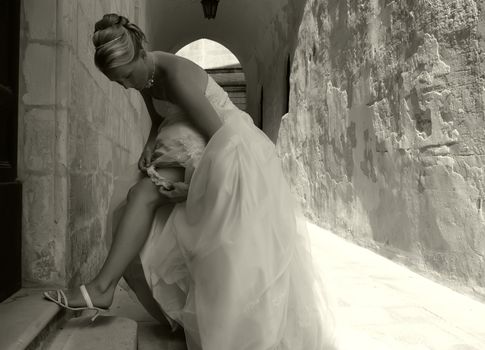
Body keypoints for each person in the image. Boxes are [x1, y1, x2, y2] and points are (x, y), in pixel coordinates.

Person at [44, 13, 338, 350]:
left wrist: (192, 188)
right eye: (117, 82)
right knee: (133, 205)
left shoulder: (179, 76)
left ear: (141, 52)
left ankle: (101, 288)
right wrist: (150, 142)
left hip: (225, 149)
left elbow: (222, 143)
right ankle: (147, 303)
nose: (125, 85)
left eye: (125, 76)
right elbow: (158, 118)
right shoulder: (145, 77)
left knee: (146, 197)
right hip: (189, 141)